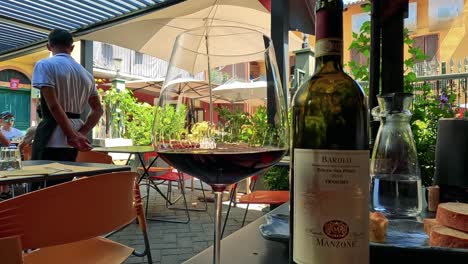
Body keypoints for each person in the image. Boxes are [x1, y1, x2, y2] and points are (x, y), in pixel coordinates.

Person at [31, 29, 103, 184]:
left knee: (42, 187)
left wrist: (72, 135)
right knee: (63, 185)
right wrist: (80, 134)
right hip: (73, 137)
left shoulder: (44, 65)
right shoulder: (86, 75)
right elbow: (98, 110)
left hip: (51, 136)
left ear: (49, 46)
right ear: (72, 47)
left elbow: (54, 106)